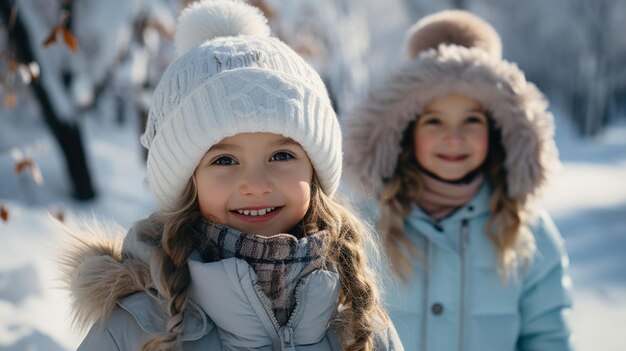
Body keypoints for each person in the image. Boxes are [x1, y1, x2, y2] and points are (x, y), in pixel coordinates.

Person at [59, 1, 403, 350]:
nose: (255, 184)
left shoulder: (359, 324)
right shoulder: (134, 329)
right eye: (224, 160)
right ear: (187, 182)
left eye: (281, 155)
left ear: (315, 173)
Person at [342, 10, 573, 351]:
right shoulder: (363, 224)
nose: (454, 137)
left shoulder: (528, 231)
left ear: (495, 130)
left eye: (472, 121)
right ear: (407, 131)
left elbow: (549, 338)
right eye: (434, 121)